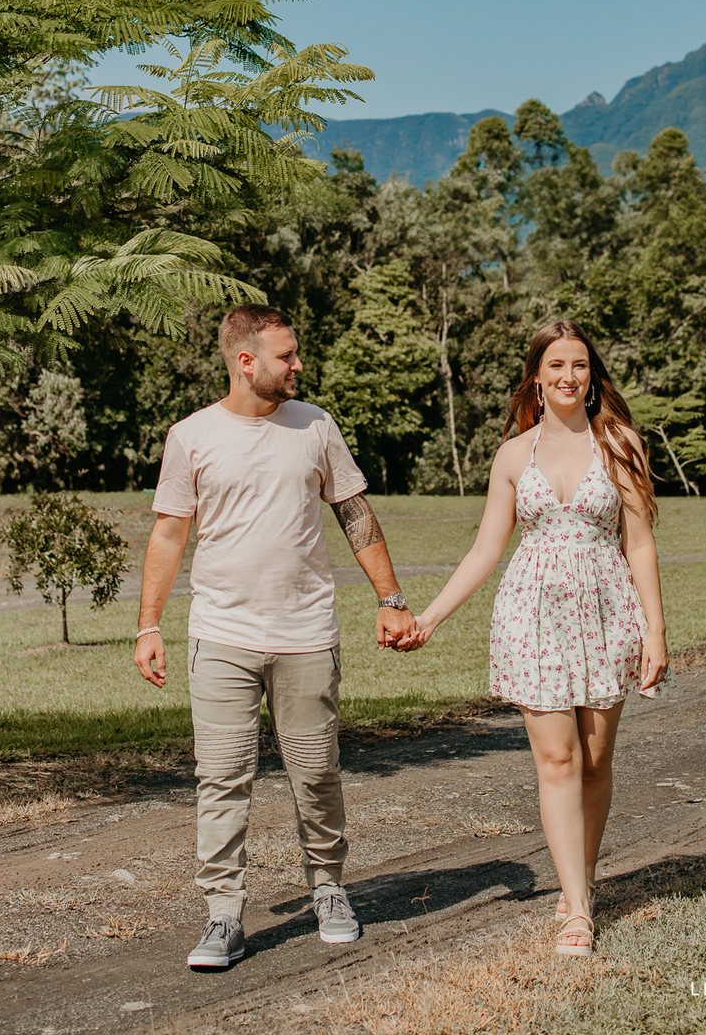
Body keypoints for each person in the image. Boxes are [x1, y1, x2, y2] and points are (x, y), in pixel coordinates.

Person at [134, 304, 418, 971]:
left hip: (306, 634)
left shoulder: (316, 426)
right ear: (245, 361)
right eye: (286, 356)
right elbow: (170, 533)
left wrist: (391, 598)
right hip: (221, 635)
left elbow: (353, 510)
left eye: (295, 354)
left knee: (315, 773)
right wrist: (148, 624)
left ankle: (328, 888)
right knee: (223, 779)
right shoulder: (192, 436)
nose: (297, 365)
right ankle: (223, 916)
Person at [397, 318, 669, 958]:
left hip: (608, 615)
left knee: (596, 761)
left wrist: (656, 629)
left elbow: (639, 542)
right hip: (533, 617)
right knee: (558, 761)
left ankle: (585, 879)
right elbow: (486, 549)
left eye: (579, 365)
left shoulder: (621, 443)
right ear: (537, 379)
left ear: (592, 378)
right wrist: (430, 617)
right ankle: (575, 908)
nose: (568, 376)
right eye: (556, 366)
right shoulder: (514, 456)